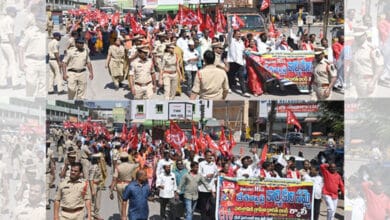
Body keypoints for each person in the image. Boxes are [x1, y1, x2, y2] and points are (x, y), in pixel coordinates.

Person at [351, 29, 384, 97]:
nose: (357, 38)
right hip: (356, 81)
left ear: (365, 35)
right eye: (356, 36)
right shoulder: (354, 47)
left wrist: (373, 82)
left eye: (359, 36)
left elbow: (380, 66)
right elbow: (353, 64)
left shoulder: (372, 49)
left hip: (368, 80)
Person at [109, 152, 139, 217]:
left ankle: (122, 215)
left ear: (121, 159)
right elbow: (138, 164)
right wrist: (135, 160)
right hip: (128, 185)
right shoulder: (131, 166)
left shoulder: (118, 167)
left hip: (119, 185)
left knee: (120, 201)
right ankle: (126, 216)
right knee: (127, 201)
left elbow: (114, 179)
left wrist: (111, 190)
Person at [227, 30, 250, 97]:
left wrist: (245, 53)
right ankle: (228, 87)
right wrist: (230, 28)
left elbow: (243, 51)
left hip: (240, 62)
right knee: (231, 76)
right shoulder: (231, 41)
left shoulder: (241, 42)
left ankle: (244, 91)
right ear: (234, 35)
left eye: (240, 34)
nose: (239, 35)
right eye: (237, 34)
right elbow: (229, 35)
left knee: (241, 77)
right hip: (232, 61)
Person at [198, 150, 219, 220]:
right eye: (208, 155)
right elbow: (199, 174)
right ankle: (203, 218)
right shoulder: (201, 164)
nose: (210, 157)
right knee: (203, 206)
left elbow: (217, 174)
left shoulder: (213, 164)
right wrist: (206, 176)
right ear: (205, 156)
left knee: (212, 205)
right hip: (203, 188)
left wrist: (214, 175)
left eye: (211, 155)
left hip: (212, 189)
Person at [88, 154, 103, 220]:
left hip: (98, 185)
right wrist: (93, 190)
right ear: (96, 159)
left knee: (98, 200)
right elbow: (90, 179)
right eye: (99, 158)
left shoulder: (97, 166)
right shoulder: (94, 167)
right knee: (93, 201)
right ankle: (92, 215)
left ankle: (96, 214)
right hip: (94, 185)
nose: (100, 160)